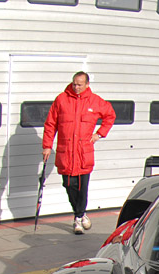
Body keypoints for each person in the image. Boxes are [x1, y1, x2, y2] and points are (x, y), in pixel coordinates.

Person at [42, 72, 115, 235]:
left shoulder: (96, 101)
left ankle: (78, 218)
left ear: (87, 85)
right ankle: (81, 214)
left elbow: (110, 115)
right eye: (74, 83)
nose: (76, 87)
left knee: (82, 187)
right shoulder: (61, 99)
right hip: (66, 152)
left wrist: (99, 134)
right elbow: (50, 123)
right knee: (69, 185)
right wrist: (47, 146)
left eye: (80, 84)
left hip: (83, 153)